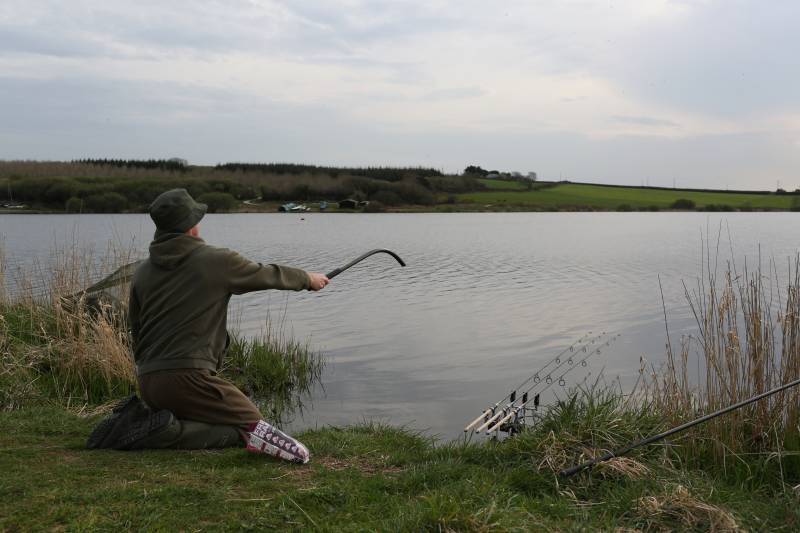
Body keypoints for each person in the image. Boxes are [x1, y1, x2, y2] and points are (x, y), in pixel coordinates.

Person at [87, 188, 328, 463]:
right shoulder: (216, 261)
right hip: (190, 379)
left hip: (149, 382)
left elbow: (136, 328)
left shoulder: (143, 272)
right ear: (192, 225)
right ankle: (158, 433)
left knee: (230, 424)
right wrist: (308, 279)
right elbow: (266, 274)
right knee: (250, 427)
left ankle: (146, 419)